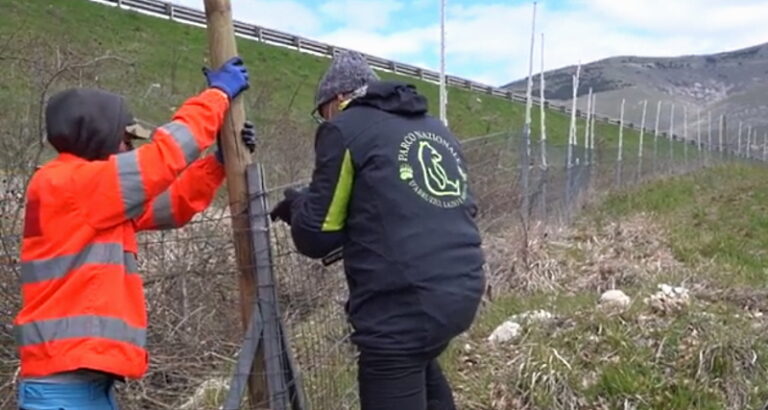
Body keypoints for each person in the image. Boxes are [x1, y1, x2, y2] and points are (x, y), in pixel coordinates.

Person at [14, 56, 252, 410]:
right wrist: (216, 96)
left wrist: (217, 162)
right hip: (63, 387)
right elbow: (165, 155)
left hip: (83, 384)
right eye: (124, 139)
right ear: (95, 134)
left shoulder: (93, 196)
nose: (129, 148)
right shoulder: (70, 184)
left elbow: (171, 204)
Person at [270, 51, 486, 410]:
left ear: (338, 100)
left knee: (399, 362)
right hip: (460, 288)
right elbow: (404, 202)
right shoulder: (436, 129)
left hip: (402, 307)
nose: (322, 119)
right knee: (421, 363)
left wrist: (297, 206)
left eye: (321, 111)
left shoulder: (343, 129)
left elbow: (315, 235)